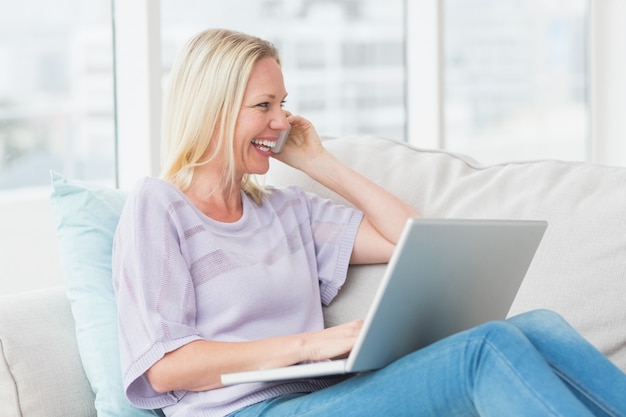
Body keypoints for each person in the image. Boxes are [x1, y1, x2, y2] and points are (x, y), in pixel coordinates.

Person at [111, 28, 626, 417]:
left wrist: (321, 164)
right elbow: (166, 367)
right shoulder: (159, 206)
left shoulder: (288, 210)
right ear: (213, 112)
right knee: (483, 348)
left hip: (327, 396)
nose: (282, 120)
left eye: (283, 104)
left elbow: (419, 243)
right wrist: (308, 346)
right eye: (263, 106)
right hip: (246, 410)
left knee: (538, 327)